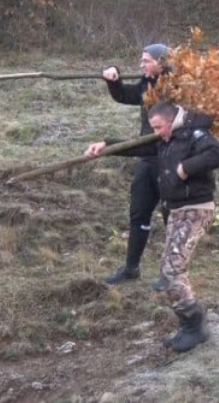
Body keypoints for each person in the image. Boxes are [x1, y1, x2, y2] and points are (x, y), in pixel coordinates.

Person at [87, 101, 219, 353]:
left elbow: (218, 155)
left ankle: (195, 326)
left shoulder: (195, 134)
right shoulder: (164, 138)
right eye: (153, 128)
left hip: (195, 210)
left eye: (159, 127)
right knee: (170, 270)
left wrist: (185, 168)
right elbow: (135, 146)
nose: (157, 133)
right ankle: (189, 324)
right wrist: (105, 145)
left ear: (171, 120)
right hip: (176, 210)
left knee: (172, 270)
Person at [89, 43, 170, 289]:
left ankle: (171, 276)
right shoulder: (147, 84)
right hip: (147, 160)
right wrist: (113, 79)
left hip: (171, 161)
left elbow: (154, 142)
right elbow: (125, 95)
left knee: (172, 220)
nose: (141, 64)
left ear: (162, 62)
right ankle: (131, 268)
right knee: (138, 213)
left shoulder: (178, 89)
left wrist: (110, 145)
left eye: (146, 60)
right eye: (141, 60)